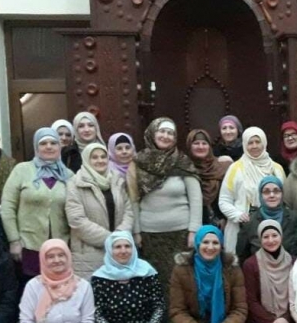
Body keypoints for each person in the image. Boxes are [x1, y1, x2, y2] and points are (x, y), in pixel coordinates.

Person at [127, 117, 202, 295]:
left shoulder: (182, 162)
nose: (166, 136)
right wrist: (136, 232)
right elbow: (133, 199)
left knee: (181, 281)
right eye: (162, 131)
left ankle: (178, 313)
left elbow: (196, 199)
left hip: (181, 234)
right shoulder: (138, 162)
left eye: (170, 133)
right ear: (153, 133)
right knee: (156, 281)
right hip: (150, 236)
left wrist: (194, 231)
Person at [166, 226, 248, 323]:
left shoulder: (232, 269)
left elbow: (240, 309)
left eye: (215, 243)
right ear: (197, 244)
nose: (210, 247)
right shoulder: (182, 270)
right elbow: (177, 311)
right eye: (205, 242)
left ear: (221, 246)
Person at [1, 127, 73, 282]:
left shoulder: (68, 175)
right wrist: (14, 240)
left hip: (60, 247)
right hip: (29, 245)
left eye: (53, 143)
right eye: (43, 143)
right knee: (32, 288)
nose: (49, 147)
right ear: (36, 147)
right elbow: (8, 208)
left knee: (59, 288)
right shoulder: (22, 170)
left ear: (59, 146)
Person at [91, 231, 167, 323]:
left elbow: (159, 306)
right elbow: (97, 313)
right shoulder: (99, 278)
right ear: (109, 250)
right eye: (118, 247)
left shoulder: (147, 272)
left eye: (127, 246)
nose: (123, 251)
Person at [65, 142, 134, 279]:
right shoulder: (75, 183)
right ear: (86, 159)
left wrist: (120, 236)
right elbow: (77, 220)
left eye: (103, 157)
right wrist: (111, 239)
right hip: (89, 252)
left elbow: (128, 211)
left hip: (120, 251)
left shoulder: (117, 180)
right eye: (94, 157)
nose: (100, 160)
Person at [219, 126, 286, 254]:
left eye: (257, 142)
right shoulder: (235, 169)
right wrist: (238, 215)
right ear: (244, 145)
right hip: (242, 226)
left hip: (272, 227)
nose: (254, 146)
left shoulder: (276, 169)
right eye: (250, 143)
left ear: (264, 143)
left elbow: (283, 198)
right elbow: (224, 200)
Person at [243, 220, 294, 323]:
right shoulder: (251, 264)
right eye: (266, 237)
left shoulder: (294, 262)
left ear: (281, 236)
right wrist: (273, 322)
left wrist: (285, 319)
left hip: (289, 320)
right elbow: (251, 301)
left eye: (274, 235)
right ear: (260, 239)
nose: (271, 240)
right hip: (261, 322)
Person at [236, 176, 297, 260]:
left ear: (282, 194)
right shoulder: (250, 222)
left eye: (276, 191)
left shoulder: (295, 218)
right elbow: (242, 256)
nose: (272, 195)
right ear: (260, 195)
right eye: (266, 192)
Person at [187, 129, 228, 227]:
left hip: (220, 225)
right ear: (189, 146)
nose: (201, 147)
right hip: (191, 224)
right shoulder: (184, 168)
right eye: (196, 143)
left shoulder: (222, 167)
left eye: (204, 143)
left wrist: (225, 218)